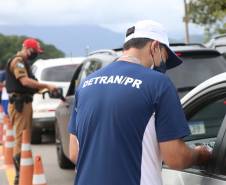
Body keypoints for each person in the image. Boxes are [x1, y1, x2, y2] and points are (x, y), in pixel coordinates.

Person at [68, 20, 212, 185]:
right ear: (154, 47)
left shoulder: (86, 84)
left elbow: (74, 153)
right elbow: (175, 158)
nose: (163, 65)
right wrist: (201, 154)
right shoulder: (158, 83)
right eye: (164, 58)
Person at [5, 38, 57, 185]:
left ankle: (23, 169)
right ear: (27, 49)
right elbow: (25, 82)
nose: (36, 54)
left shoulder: (25, 63)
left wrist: (44, 89)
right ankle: (19, 175)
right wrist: (46, 84)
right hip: (20, 104)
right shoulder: (18, 62)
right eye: (35, 51)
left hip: (25, 102)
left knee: (24, 138)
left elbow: (30, 85)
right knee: (21, 138)